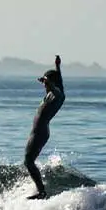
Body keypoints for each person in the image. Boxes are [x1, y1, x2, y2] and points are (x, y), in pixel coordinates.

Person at [24, 54, 65, 199]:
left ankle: (42, 191)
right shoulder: (52, 92)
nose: (44, 86)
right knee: (29, 161)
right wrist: (57, 66)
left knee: (28, 161)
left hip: (40, 132)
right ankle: (40, 189)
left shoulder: (57, 95)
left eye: (46, 83)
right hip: (38, 131)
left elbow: (56, 89)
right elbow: (58, 81)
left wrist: (50, 83)